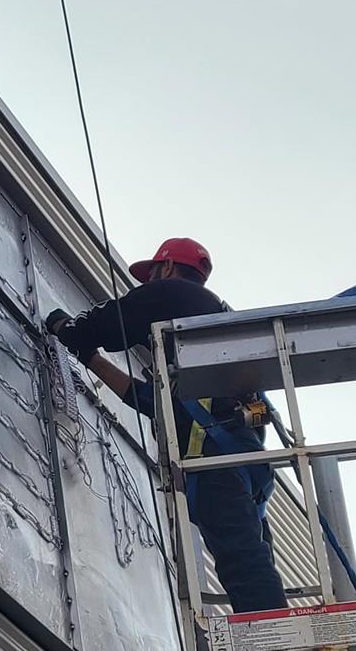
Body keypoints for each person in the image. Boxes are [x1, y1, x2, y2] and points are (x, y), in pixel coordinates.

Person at [46, 237, 289, 615]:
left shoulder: (173, 293)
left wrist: (66, 328)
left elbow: (102, 324)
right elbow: (151, 403)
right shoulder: (208, 333)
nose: (147, 286)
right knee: (249, 562)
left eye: (152, 276)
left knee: (243, 566)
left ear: (169, 268)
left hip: (216, 461)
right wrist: (89, 359)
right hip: (241, 463)